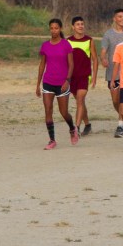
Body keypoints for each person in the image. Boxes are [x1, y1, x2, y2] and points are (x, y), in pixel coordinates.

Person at [35, 18, 76, 150]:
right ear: (49, 29)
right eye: (51, 28)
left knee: (64, 112)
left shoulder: (66, 45)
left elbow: (71, 65)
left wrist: (67, 80)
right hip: (48, 82)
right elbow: (42, 65)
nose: (54, 30)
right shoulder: (45, 46)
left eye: (56, 28)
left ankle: (72, 128)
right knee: (48, 110)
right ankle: (52, 140)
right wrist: (38, 84)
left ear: (60, 29)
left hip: (62, 84)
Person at [99, 8, 123, 137]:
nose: (122, 19)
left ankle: (121, 125)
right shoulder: (108, 34)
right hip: (112, 74)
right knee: (116, 101)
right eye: (120, 17)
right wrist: (103, 59)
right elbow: (103, 51)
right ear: (114, 18)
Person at [68, 16, 97, 136]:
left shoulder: (89, 40)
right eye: (78, 24)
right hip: (72, 77)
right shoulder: (67, 41)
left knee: (80, 100)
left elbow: (95, 60)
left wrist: (94, 78)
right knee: (80, 102)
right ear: (73, 27)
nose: (80, 26)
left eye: (82, 24)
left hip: (84, 76)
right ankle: (88, 124)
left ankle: (76, 128)